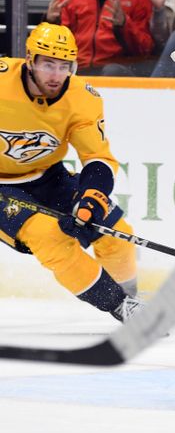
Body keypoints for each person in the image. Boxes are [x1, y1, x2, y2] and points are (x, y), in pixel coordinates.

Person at [0, 24, 141, 322]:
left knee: (117, 235)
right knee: (50, 238)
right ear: (30, 60)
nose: (55, 75)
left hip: (48, 176)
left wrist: (90, 198)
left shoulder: (82, 98)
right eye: (48, 64)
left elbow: (97, 159)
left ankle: (132, 298)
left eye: (64, 66)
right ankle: (122, 308)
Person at [44, 0, 154, 76]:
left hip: (119, 75)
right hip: (76, 71)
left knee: (112, 71)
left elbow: (146, 50)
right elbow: (52, 49)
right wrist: (51, 23)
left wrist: (124, 25)